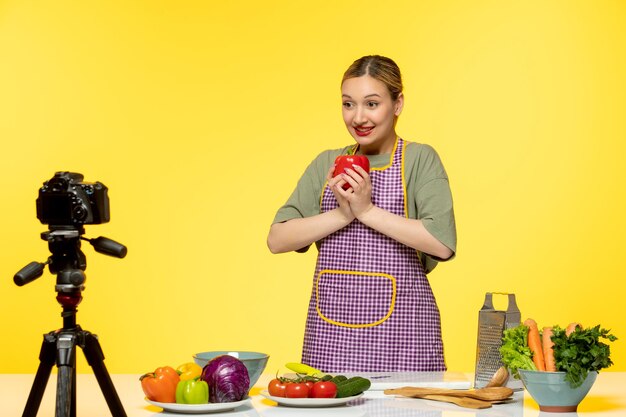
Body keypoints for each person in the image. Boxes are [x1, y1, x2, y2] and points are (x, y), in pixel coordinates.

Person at [267, 55, 456, 372]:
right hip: (330, 341)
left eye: (371, 104)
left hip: (404, 340)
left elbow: (441, 244)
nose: (358, 117)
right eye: (348, 104)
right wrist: (341, 216)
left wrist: (366, 210)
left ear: (397, 105)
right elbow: (277, 239)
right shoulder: (327, 163)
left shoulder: (419, 160)